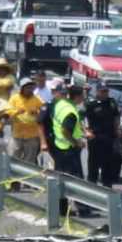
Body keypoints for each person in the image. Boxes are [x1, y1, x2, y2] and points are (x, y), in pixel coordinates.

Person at [50, 82, 87, 215]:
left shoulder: (61, 104)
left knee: (61, 179)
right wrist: (76, 142)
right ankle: (82, 209)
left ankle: (62, 209)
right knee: (76, 179)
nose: (84, 98)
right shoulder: (70, 111)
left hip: (59, 147)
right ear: (77, 96)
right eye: (83, 95)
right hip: (69, 149)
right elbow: (65, 131)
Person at [83, 81, 121, 187]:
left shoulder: (111, 102)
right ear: (97, 91)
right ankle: (92, 187)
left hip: (109, 137)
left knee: (108, 165)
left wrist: (117, 129)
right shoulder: (91, 104)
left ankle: (107, 186)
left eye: (106, 91)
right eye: (102, 91)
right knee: (93, 165)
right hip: (95, 137)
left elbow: (116, 116)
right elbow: (83, 119)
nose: (105, 93)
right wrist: (86, 131)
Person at [7, 75, 46, 165]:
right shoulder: (14, 98)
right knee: (13, 158)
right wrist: (17, 112)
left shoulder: (37, 99)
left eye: (31, 87)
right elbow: (8, 112)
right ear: (22, 88)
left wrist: (37, 112)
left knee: (29, 162)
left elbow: (44, 112)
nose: (29, 89)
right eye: (27, 87)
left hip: (32, 137)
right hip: (17, 135)